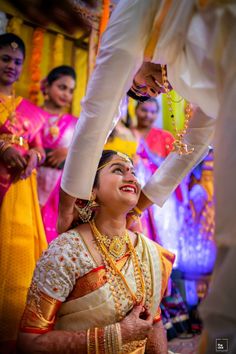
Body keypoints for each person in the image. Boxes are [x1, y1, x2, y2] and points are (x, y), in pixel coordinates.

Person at [57, 1, 236, 351]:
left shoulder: (139, 10)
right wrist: (129, 206)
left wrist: (74, 198)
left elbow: (102, 105)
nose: (150, 90)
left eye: (140, 86)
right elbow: (195, 140)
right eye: (140, 93)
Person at [18, 150, 174, 354]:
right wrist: (117, 335)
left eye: (133, 172)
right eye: (118, 170)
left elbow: (154, 323)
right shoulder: (66, 251)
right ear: (91, 191)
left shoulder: (147, 250)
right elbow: (29, 343)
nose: (131, 178)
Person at [0, 33, 48, 353]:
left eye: (17, 61)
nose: (11, 66)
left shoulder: (30, 109)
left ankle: (14, 330)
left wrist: (34, 156)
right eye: (5, 58)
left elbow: (40, 147)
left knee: (18, 256)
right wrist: (2, 147)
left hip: (22, 188)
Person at [132, 98, 182, 256]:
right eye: (144, 110)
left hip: (158, 192)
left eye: (153, 112)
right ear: (135, 111)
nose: (148, 115)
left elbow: (174, 167)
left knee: (161, 233)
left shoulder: (165, 137)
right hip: (134, 190)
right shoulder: (127, 133)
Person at [37, 65, 77, 243]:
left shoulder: (76, 123)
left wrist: (69, 153)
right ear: (46, 86)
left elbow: (87, 155)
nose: (66, 94)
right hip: (29, 180)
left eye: (70, 90)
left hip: (58, 191)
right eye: (62, 87)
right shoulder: (29, 114)